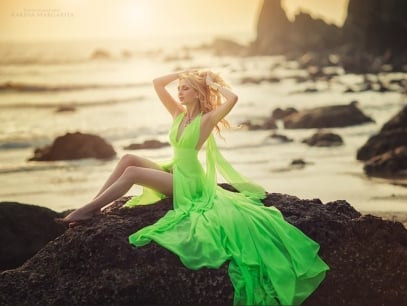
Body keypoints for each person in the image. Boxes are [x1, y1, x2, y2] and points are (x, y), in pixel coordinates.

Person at [57, 70, 329, 305]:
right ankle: (93, 205)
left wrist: (211, 81)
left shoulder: (207, 119)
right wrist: (185, 72)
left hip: (189, 183)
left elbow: (233, 99)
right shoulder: (178, 114)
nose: (180, 91)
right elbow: (156, 83)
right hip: (172, 170)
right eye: (180, 88)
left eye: (185, 88)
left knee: (132, 172)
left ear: (198, 93)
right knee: (128, 158)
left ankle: (88, 210)